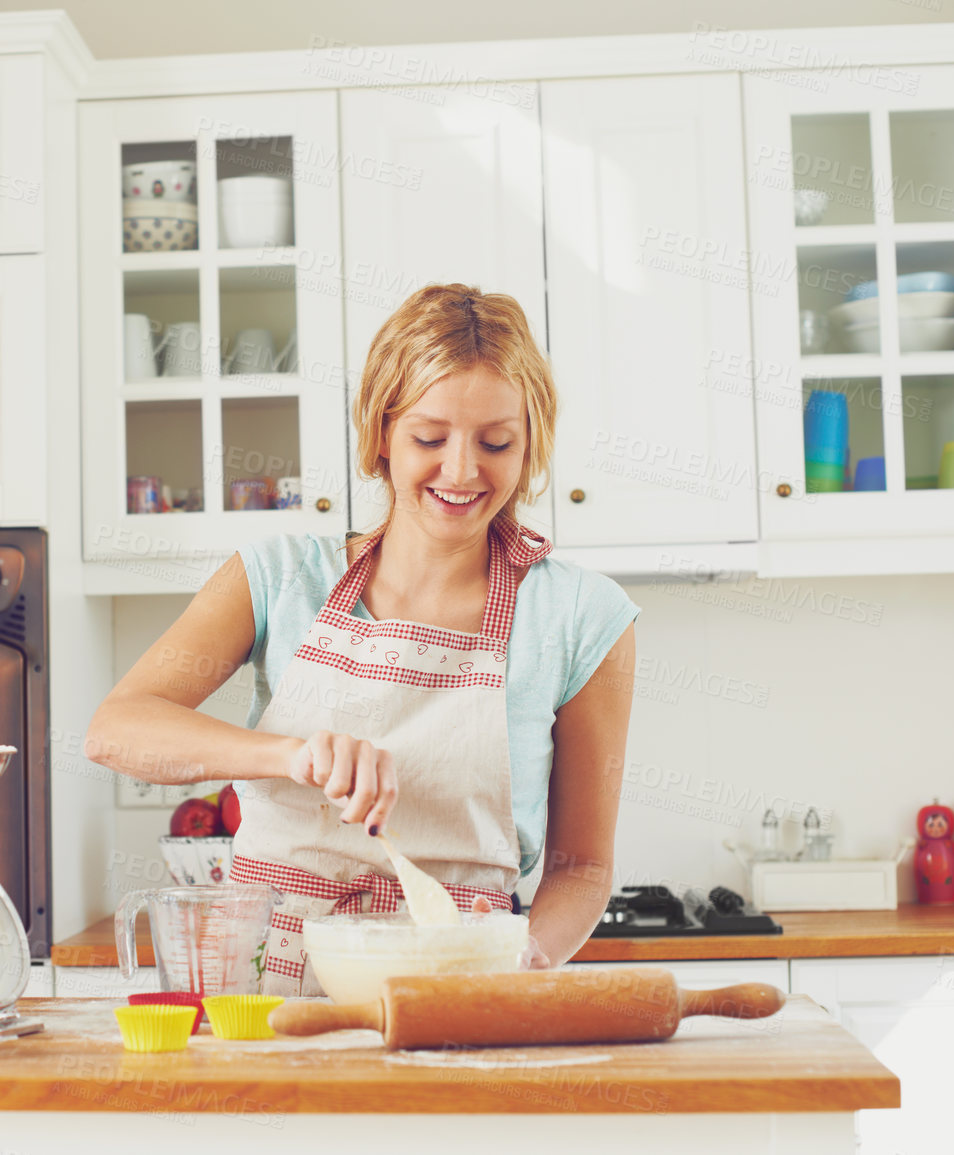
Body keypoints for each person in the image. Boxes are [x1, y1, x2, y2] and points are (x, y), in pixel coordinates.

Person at [86, 284, 638, 995]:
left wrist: (518, 967)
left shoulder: (582, 617)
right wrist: (290, 754)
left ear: (529, 445)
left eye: (495, 441)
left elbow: (582, 868)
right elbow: (115, 728)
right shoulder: (279, 575)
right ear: (381, 433)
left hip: (453, 987)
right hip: (257, 986)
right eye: (428, 438)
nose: (462, 470)